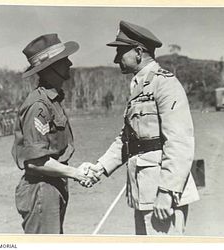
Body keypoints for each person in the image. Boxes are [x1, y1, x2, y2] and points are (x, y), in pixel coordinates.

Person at [85, 21, 199, 235]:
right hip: (145, 191)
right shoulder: (139, 86)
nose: (115, 59)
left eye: (120, 51)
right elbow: (127, 138)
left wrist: (166, 192)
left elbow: (179, 141)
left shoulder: (165, 83)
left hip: (162, 194)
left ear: (138, 52)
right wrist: (100, 168)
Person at [11, 33, 96, 234]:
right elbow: (35, 161)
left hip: (52, 185)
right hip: (41, 188)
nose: (70, 63)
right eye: (63, 60)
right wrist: (76, 173)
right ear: (50, 67)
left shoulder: (52, 101)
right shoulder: (38, 106)